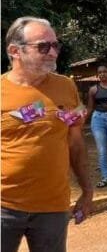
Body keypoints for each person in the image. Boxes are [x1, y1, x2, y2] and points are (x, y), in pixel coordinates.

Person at [1, 16, 93, 252]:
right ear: (15, 51)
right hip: (3, 206)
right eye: (43, 46)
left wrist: (87, 189)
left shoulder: (66, 87)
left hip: (53, 207)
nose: (53, 52)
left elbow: (75, 142)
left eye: (55, 45)